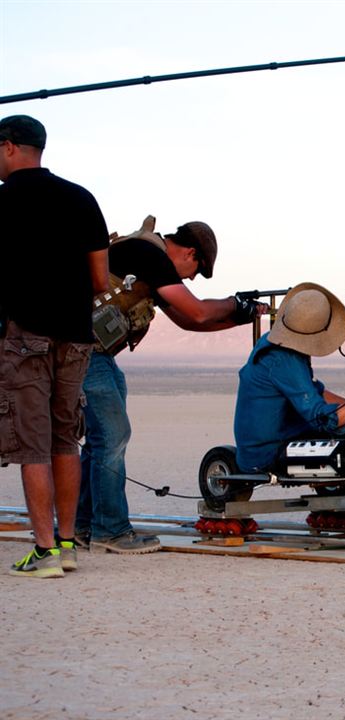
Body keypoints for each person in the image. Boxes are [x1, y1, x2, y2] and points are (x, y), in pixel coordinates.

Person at [76, 216, 266, 553]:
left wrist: (237, 317)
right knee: (112, 435)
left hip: (93, 354)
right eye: (196, 271)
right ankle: (111, 530)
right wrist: (234, 304)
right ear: (190, 253)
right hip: (84, 351)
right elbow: (195, 310)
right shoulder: (150, 255)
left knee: (103, 438)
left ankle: (83, 524)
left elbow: (189, 322)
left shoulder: (148, 261)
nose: (191, 278)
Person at [0, 114, 109, 577]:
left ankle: (43, 550)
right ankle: (66, 545)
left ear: (9, 147)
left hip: (25, 334)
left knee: (32, 444)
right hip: (77, 336)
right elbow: (101, 280)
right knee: (66, 437)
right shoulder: (82, 199)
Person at [233, 283, 345, 472]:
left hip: (257, 446)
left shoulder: (273, 342)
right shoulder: (284, 360)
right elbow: (324, 419)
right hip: (265, 454)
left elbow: (315, 392)